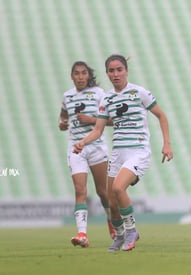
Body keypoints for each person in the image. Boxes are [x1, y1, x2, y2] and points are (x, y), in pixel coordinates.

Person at [74, 54, 173, 252]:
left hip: (138, 151)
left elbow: (161, 115)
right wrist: (83, 142)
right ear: (107, 73)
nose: (116, 74)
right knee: (112, 203)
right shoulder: (106, 98)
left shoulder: (139, 92)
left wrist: (167, 144)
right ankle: (119, 237)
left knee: (119, 189)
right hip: (118, 153)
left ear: (126, 70)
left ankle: (131, 230)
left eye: (119, 69)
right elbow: (98, 130)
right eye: (111, 70)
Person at [59, 61, 115, 248]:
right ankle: (82, 234)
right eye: (77, 73)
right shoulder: (67, 96)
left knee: (103, 192)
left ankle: (112, 224)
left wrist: (91, 120)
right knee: (80, 191)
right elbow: (64, 115)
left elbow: (112, 120)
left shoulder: (99, 94)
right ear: (72, 76)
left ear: (88, 76)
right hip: (76, 148)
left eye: (84, 73)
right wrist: (62, 122)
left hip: (97, 147)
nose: (81, 77)